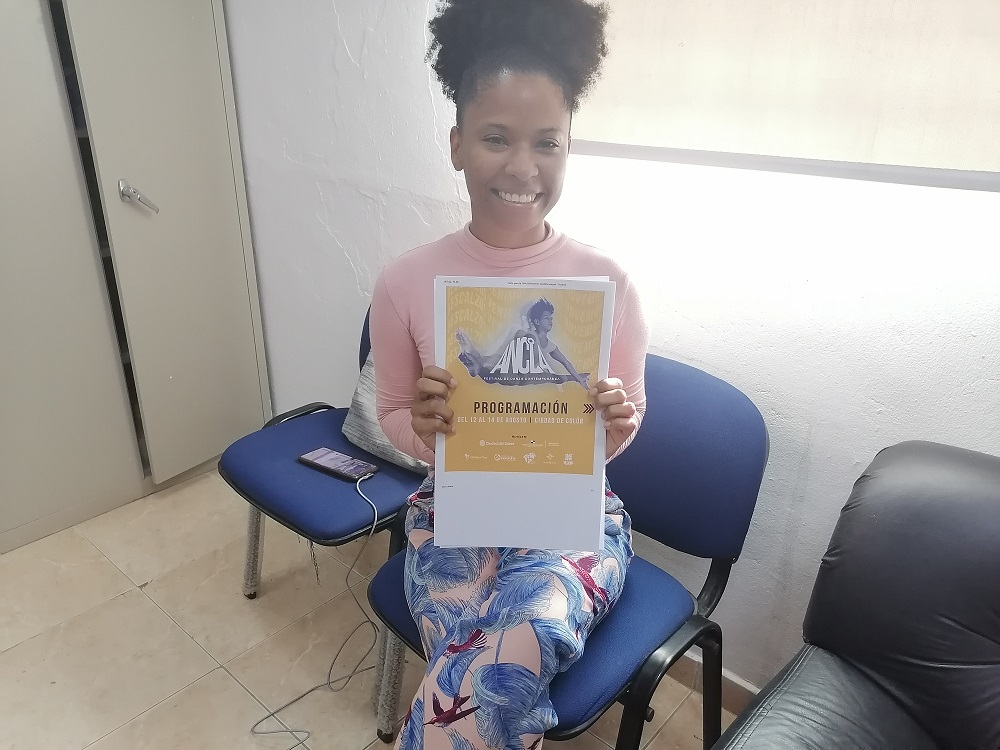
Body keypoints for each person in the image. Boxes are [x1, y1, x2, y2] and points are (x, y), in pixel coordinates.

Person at [370, 1, 649, 748]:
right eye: (496, 138)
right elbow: (394, 413)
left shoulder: (608, 283)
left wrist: (614, 423)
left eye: (546, 143)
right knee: (482, 672)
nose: (523, 167)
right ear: (457, 144)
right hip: (455, 509)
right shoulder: (405, 281)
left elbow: (621, 427)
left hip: (574, 518)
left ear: (568, 147)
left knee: (516, 646)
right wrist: (423, 427)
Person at [455, 298, 590, 388]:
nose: (550, 320)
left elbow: (565, 362)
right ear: (536, 321)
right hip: (510, 365)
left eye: (551, 318)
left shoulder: (550, 346)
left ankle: (476, 361)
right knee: (498, 372)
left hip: (524, 374)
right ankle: (476, 359)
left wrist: (578, 378)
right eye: (546, 318)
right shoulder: (526, 334)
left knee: (550, 377)